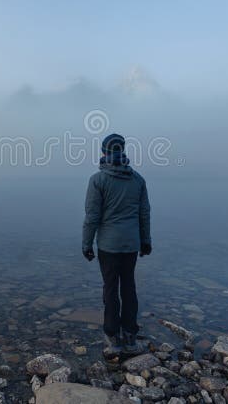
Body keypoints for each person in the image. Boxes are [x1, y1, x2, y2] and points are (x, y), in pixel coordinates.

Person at [82, 133, 151, 355]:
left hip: (108, 246)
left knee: (111, 288)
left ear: (104, 152)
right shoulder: (138, 180)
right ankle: (130, 336)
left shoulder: (97, 180)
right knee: (129, 287)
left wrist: (86, 244)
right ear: (122, 150)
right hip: (131, 244)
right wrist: (146, 241)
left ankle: (113, 337)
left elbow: (92, 216)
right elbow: (144, 214)